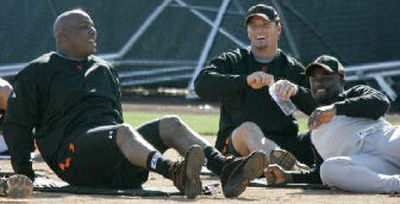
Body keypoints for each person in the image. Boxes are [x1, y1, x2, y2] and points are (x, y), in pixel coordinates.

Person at [2, 9, 269, 199]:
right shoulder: (38, 72)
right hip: (72, 159)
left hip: (113, 153)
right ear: (62, 37)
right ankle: (174, 172)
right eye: (84, 27)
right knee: (123, 131)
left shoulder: (104, 70)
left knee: (170, 124)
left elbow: (115, 117)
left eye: (93, 25)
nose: (93, 31)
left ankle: (225, 168)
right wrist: (25, 173)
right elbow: (17, 125)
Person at [194, 4, 317, 169]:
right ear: (248, 31)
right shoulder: (234, 60)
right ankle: (290, 169)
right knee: (249, 129)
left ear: (278, 28)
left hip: (285, 145)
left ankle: (287, 166)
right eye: (254, 26)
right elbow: (201, 84)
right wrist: (245, 81)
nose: (259, 31)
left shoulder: (291, 68)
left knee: (325, 132)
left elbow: (319, 108)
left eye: (265, 25)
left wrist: (296, 90)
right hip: (236, 147)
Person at [266, 55, 400, 193]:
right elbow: (318, 175)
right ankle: (395, 185)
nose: (319, 83)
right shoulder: (316, 132)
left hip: (389, 142)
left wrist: (334, 109)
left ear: (341, 80)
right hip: (372, 164)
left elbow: (381, 103)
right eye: (314, 79)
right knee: (328, 170)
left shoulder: (356, 93)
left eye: (326, 78)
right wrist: (289, 177)